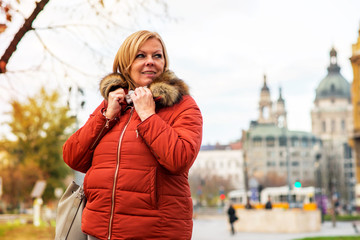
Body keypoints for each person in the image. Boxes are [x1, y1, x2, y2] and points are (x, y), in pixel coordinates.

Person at [63, 30, 203, 240]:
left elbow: (179, 159)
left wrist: (148, 115)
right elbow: (73, 156)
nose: (150, 62)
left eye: (157, 56)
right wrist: (106, 116)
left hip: (154, 233)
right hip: (99, 232)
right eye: (141, 55)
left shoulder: (182, 106)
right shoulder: (111, 105)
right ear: (126, 62)